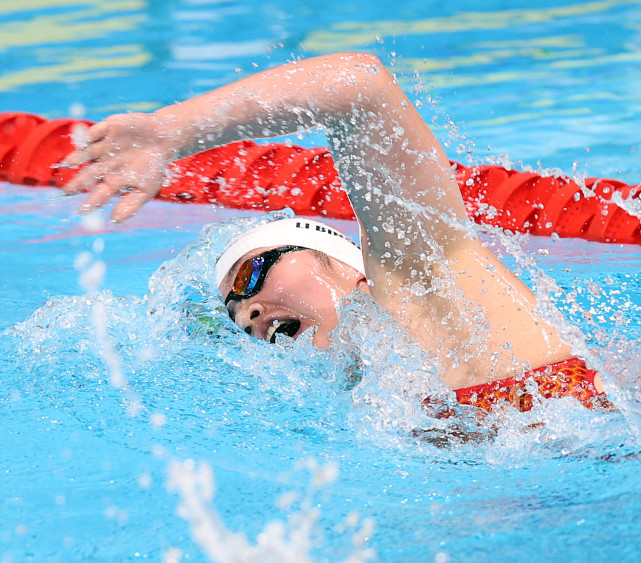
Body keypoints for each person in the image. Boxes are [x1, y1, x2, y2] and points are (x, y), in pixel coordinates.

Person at [62, 52, 610, 414]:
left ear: (347, 265)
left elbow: (359, 86)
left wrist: (169, 131)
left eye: (254, 272)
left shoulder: (423, 281)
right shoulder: (384, 405)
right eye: (237, 314)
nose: (248, 311)